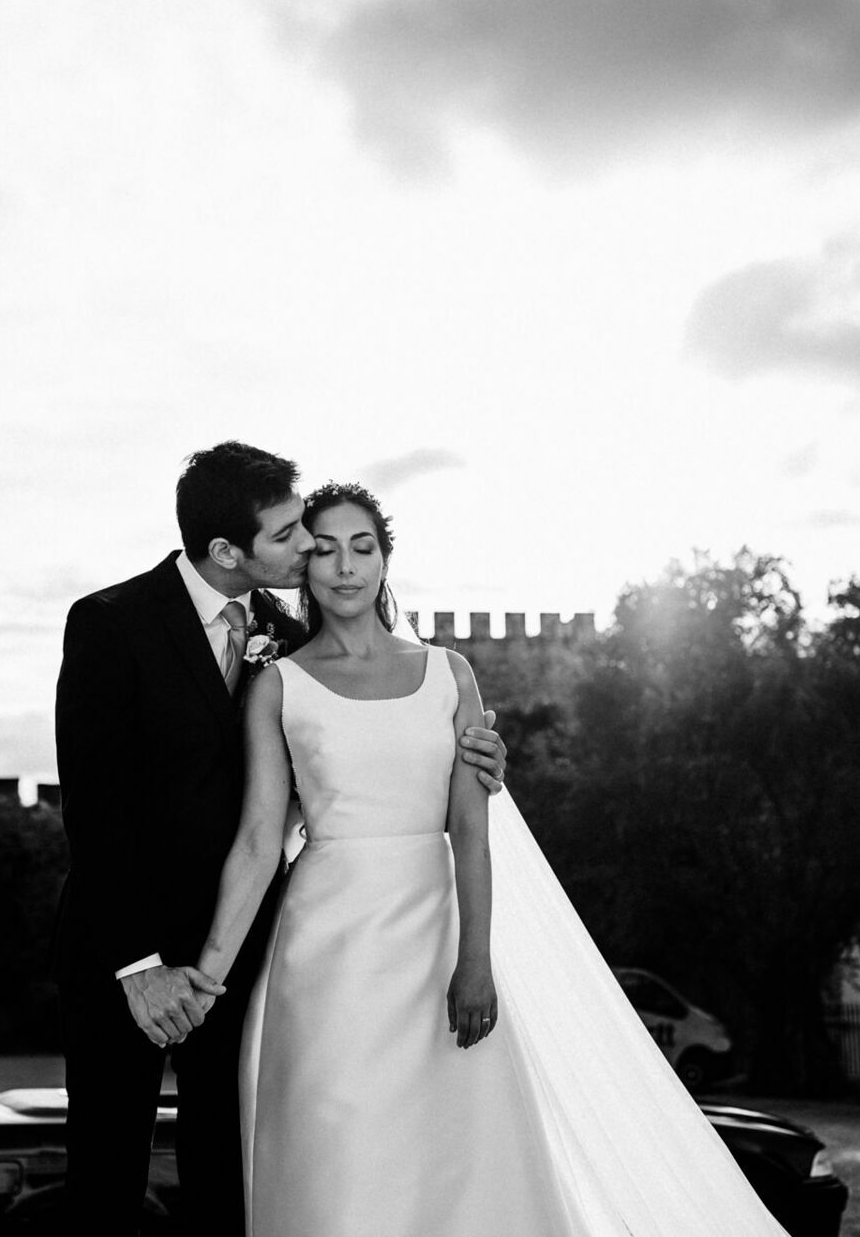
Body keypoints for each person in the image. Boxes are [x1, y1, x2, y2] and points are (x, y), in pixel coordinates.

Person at [193, 482, 790, 1236]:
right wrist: (207, 977)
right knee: (336, 1145)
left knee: (457, 1155)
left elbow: (471, 833)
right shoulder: (277, 685)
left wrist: (476, 958)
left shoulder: (451, 674)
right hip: (326, 953)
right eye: (324, 550)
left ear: (385, 561)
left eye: (363, 547)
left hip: (438, 933)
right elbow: (256, 840)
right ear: (303, 567)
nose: (345, 567)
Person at [52, 443, 506, 1235]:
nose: (311, 551)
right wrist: (141, 967)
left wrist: (476, 755)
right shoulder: (111, 625)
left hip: (244, 948)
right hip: (124, 954)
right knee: (107, 1179)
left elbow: (355, 750)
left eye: (327, 537)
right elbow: (94, 812)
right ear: (228, 551)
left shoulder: (281, 634)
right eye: (294, 534)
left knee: (230, 1174)